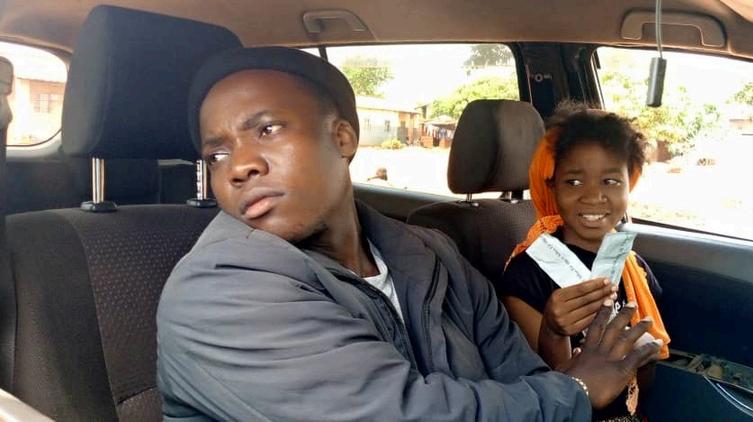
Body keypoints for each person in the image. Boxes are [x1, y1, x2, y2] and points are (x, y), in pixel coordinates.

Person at [156, 46, 662, 421]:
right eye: (216, 154)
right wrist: (575, 391)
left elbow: (519, 372)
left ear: (343, 137)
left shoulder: (432, 253)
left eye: (267, 130)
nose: (238, 166)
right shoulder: (217, 291)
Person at [501, 103, 671, 421]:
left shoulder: (634, 268)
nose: (593, 196)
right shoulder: (528, 273)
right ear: (552, 185)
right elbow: (547, 393)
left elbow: (643, 386)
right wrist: (554, 331)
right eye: (574, 182)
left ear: (630, 184)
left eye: (610, 181)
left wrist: (642, 358)